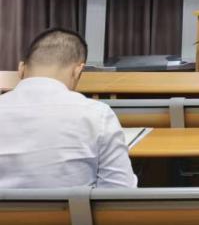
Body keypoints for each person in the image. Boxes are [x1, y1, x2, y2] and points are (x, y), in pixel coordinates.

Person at [0, 27, 137, 189]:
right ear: (78, 71)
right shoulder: (98, 115)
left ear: (21, 68)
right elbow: (120, 191)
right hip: (73, 207)